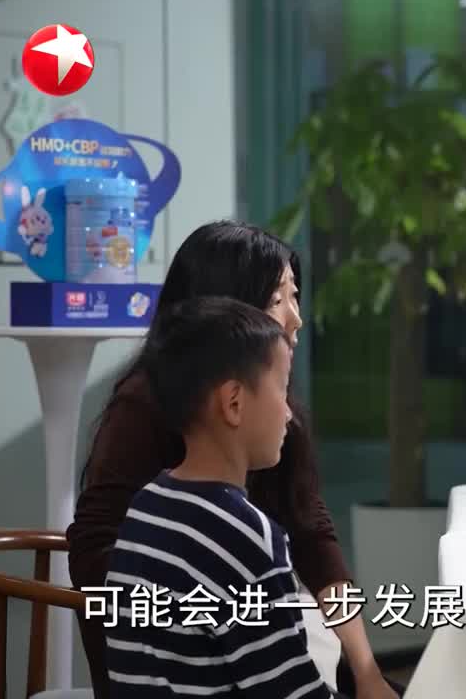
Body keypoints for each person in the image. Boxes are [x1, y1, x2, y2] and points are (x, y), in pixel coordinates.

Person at [68, 220, 400, 699]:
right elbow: (99, 554)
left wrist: (367, 671)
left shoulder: (264, 422)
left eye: (295, 296)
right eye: (278, 299)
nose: (295, 318)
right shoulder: (145, 411)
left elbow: (313, 534)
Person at [102, 296, 336, 696]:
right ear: (234, 403)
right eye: (282, 389)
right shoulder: (249, 539)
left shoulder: (144, 508)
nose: (289, 414)